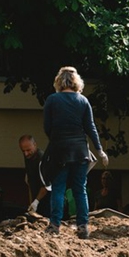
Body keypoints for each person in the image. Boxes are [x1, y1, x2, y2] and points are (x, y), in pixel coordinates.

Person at [43, 66, 108, 238]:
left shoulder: (52, 100)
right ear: (76, 82)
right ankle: (83, 226)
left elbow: (47, 127)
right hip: (80, 151)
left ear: (59, 81)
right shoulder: (83, 101)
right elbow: (90, 127)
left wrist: (57, 139)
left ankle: (55, 225)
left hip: (60, 151)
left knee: (58, 188)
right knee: (80, 189)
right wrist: (99, 149)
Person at [19, 134, 51, 217]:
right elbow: (30, 182)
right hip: (36, 198)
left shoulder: (42, 159)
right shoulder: (28, 157)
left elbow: (46, 186)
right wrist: (32, 202)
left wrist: (36, 201)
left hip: (48, 200)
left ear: (35, 145)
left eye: (28, 150)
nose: (26, 154)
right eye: (23, 151)